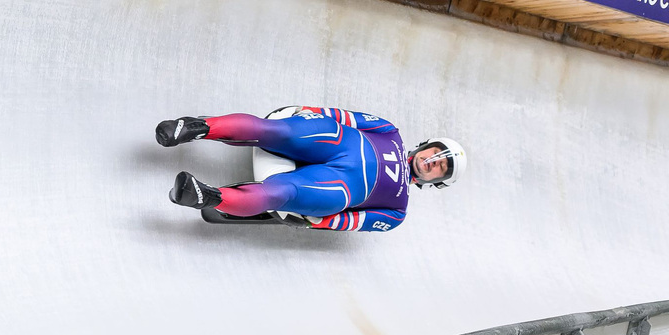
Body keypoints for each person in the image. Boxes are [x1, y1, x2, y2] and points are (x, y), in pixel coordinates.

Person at [155, 106, 467, 232]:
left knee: (281, 192)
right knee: (276, 131)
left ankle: (208, 196)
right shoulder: (389, 131)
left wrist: (314, 221)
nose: (433, 161)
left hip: (338, 185)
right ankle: (196, 128)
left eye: (441, 166)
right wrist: (306, 113)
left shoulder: (397, 211)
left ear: (436, 181)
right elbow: (343, 116)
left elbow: (350, 222)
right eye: (437, 153)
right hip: (334, 140)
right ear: (426, 145)